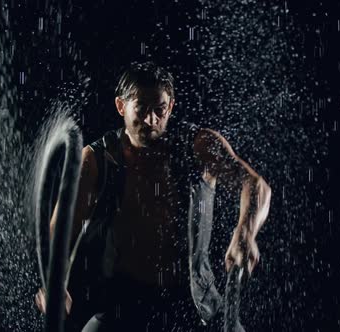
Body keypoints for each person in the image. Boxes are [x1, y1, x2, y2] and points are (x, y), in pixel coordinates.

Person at [35, 62, 272, 331]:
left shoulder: (199, 146)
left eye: (159, 109)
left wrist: (245, 232)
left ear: (170, 106)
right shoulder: (97, 159)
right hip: (123, 305)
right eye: (142, 109)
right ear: (121, 107)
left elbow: (255, 185)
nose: (151, 120)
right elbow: (61, 229)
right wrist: (53, 282)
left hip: (193, 305)